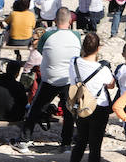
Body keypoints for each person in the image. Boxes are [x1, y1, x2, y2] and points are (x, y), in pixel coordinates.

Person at [17, 8, 81, 153]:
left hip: (50, 78)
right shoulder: (76, 35)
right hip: (68, 79)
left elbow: (39, 50)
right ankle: (66, 143)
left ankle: (24, 140)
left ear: (55, 20)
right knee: (68, 112)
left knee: (35, 108)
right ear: (70, 21)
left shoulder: (48, 35)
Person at [64, 31, 115, 162]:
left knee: (80, 141)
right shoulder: (102, 69)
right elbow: (111, 84)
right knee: (95, 145)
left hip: (80, 105)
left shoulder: (73, 62)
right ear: (98, 49)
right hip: (99, 107)